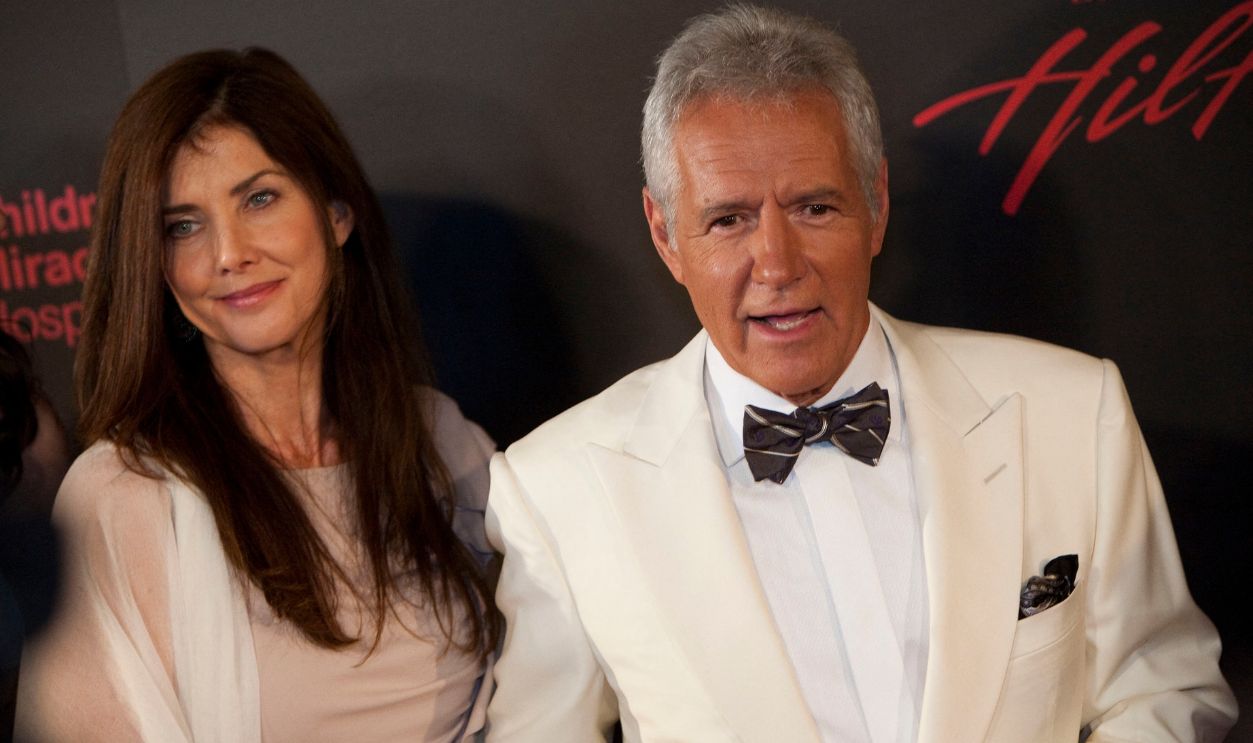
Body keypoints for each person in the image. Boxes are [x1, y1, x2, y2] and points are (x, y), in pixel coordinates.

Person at [483, 5, 1237, 742]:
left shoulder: (1072, 412)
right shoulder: (557, 490)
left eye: (814, 207)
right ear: (665, 235)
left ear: (875, 205)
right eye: (728, 220)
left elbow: (1163, 690)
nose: (776, 265)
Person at [16, 48, 502, 742]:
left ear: (336, 213)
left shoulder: (438, 438)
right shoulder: (123, 496)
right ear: (154, 266)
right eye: (182, 225)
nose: (228, 252)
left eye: (259, 198)